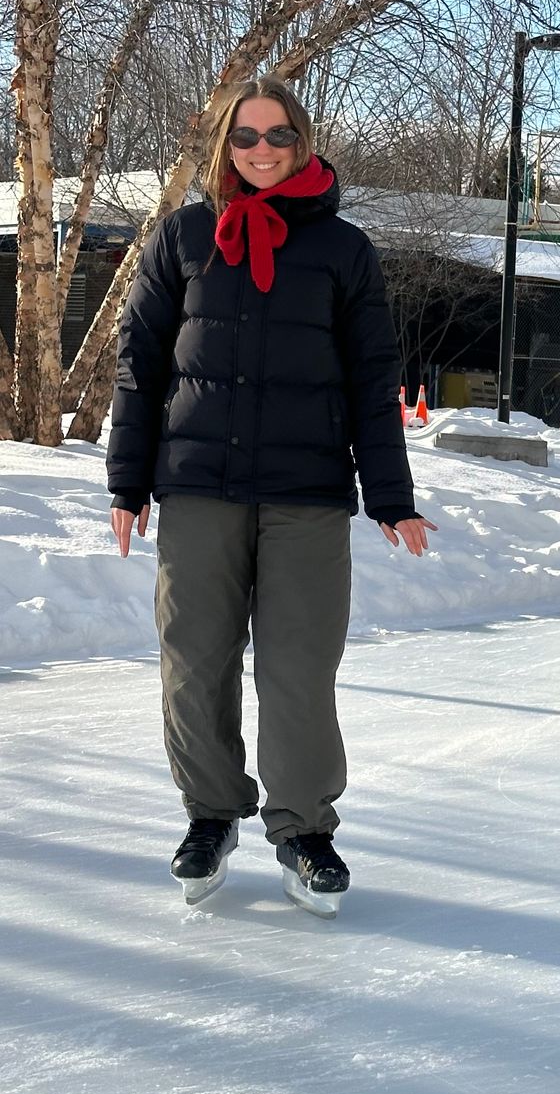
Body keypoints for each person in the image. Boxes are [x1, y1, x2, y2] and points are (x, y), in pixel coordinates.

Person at [107, 74, 435, 917]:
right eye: (245, 137)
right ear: (224, 145)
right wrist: (127, 479)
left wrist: (392, 496)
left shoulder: (343, 249)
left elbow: (373, 376)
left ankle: (303, 830)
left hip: (307, 494)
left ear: (304, 143)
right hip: (198, 489)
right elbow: (141, 365)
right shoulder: (183, 236)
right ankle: (210, 816)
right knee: (194, 665)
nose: (260, 151)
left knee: (298, 670)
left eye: (277, 136)